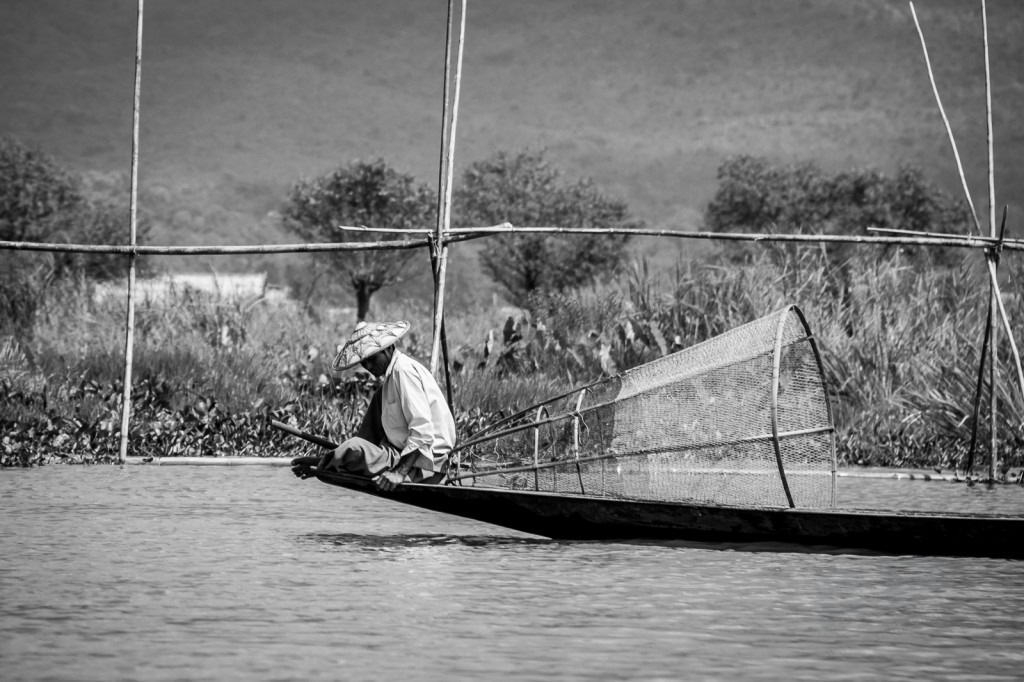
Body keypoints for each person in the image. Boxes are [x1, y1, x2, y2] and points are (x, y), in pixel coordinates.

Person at [291, 320, 456, 492]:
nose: (368, 367)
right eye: (364, 362)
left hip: (426, 461)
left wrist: (399, 473)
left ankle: (329, 462)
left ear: (388, 349)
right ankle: (328, 462)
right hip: (397, 453)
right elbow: (368, 439)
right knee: (355, 444)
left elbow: (423, 432)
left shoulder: (403, 371)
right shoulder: (390, 380)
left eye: (372, 359)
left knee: (353, 448)